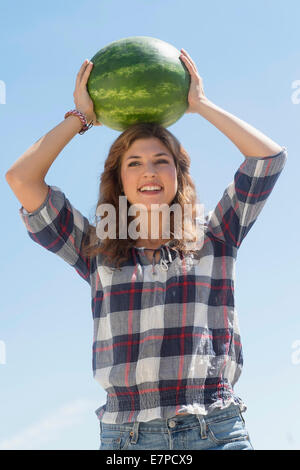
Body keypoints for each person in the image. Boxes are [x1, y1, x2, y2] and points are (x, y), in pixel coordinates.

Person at [5, 50, 287, 451]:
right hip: (128, 440)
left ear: (178, 173)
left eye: (161, 160)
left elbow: (268, 158)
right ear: (119, 180)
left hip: (216, 431)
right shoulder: (95, 248)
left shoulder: (217, 235)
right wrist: (80, 118)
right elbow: (21, 177)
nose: (149, 171)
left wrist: (200, 105)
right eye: (134, 163)